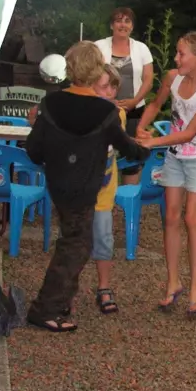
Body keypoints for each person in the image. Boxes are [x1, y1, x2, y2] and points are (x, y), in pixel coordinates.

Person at [24, 41, 148, 332]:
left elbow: (34, 150)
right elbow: (125, 147)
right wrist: (145, 150)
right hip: (85, 188)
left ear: (69, 69)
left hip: (59, 185)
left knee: (74, 241)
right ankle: (45, 309)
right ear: (96, 71)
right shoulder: (104, 111)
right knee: (75, 247)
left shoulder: (50, 104)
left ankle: (62, 301)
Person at [138, 32, 196, 317]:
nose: (175, 58)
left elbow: (189, 133)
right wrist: (142, 128)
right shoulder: (172, 78)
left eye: (181, 53)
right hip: (174, 156)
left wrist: (152, 142)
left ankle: (195, 288)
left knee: (191, 218)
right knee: (171, 217)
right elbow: (154, 104)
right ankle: (173, 282)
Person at [94, 8, 155, 180]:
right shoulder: (98, 46)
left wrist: (134, 101)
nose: (123, 25)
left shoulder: (142, 48)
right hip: (103, 110)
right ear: (111, 25)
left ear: (132, 26)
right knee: (102, 154)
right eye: (119, 20)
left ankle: (129, 194)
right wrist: (107, 100)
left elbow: (148, 79)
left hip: (134, 111)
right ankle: (103, 193)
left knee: (132, 159)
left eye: (127, 21)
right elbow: (89, 77)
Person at [90, 63, 127, 315]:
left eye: (113, 87)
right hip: (79, 191)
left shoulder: (118, 115)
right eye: (104, 87)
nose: (110, 92)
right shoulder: (78, 113)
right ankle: (67, 290)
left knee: (104, 239)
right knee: (76, 242)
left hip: (103, 190)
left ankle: (104, 287)